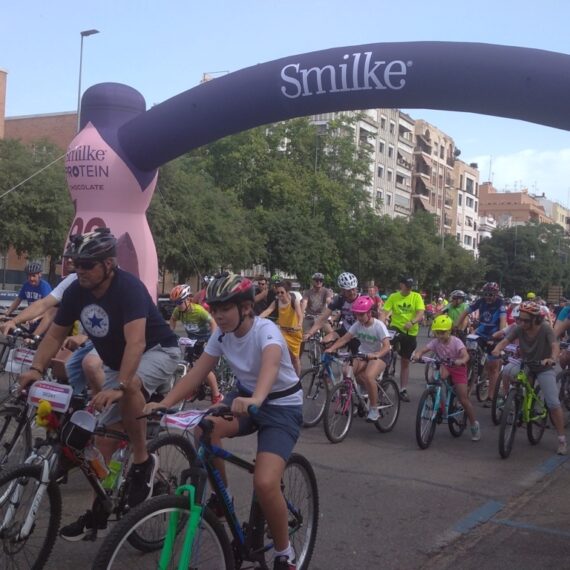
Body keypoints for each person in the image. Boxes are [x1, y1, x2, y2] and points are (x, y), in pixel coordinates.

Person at [19, 228, 180, 539]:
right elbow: (55, 334)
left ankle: (142, 461)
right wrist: (36, 369)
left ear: (108, 264)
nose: (79, 271)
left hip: (158, 351)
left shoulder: (128, 288)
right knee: (101, 442)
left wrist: (119, 386)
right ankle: (98, 512)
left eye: (87, 265)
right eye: (76, 264)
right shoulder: (77, 291)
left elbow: (136, 343)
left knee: (130, 386)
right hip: (118, 362)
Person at [143, 272, 303, 570]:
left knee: (266, 482)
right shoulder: (221, 334)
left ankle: (285, 552)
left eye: (225, 308)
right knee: (205, 429)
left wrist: (257, 398)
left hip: (280, 405)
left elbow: (270, 364)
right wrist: (163, 403)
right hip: (244, 397)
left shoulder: (265, 330)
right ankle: (223, 497)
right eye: (214, 309)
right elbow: (197, 373)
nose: (218, 315)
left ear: (245, 308)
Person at [1, 264, 104, 395]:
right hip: (75, 334)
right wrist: (12, 320)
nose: (72, 262)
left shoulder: (118, 285)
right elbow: (47, 307)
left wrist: (87, 338)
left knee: (91, 365)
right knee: (64, 371)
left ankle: (107, 408)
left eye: (84, 263)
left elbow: (47, 312)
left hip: (103, 339)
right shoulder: (72, 281)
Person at [492, 301, 567, 455]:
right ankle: (511, 400)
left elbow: (554, 345)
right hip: (525, 364)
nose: (522, 322)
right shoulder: (519, 329)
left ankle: (561, 440)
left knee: (553, 403)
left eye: (526, 320)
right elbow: (506, 341)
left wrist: (552, 358)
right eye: (520, 319)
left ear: (536, 319)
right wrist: (497, 349)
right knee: (506, 371)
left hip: (543, 366)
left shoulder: (545, 328)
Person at [413, 315, 481, 441]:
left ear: (449, 331)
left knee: (463, 399)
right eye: (437, 332)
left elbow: (465, 355)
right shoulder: (436, 342)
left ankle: (474, 424)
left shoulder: (456, 342)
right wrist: (418, 354)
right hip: (446, 365)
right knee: (437, 380)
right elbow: (423, 350)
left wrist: (461, 361)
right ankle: (439, 403)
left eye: (442, 332)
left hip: (458, 368)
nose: (439, 335)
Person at [325, 296, 391, 422]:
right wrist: (332, 348)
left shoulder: (379, 326)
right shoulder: (357, 325)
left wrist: (377, 354)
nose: (359, 317)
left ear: (369, 313)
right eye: (357, 315)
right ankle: (350, 402)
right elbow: (345, 338)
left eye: (361, 314)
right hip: (363, 354)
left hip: (381, 355)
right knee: (346, 371)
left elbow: (387, 346)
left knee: (369, 376)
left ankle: (374, 409)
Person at [169, 284, 222, 404]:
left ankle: (216, 395)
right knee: (189, 365)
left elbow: (213, 322)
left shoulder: (198, 310)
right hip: (191, 341)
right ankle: (193, 388)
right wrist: (170, 332)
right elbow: (172, 320)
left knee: (203, 368)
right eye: (176, 303)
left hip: (204, 340)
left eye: (180, 302)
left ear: (188, 299)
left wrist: (211, 340)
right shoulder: (178, 311)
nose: (178, 305)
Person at [382, 276, 425, 402]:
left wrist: (412, 321)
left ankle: (403, 389)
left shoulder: (416, 296)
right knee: (385, 348)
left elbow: (420, 313)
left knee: (405, 361)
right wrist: (381, 323)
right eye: (407, 285)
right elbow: (384, 312)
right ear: (401, 285)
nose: (409, 288)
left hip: (410, 330)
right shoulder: (394, 296)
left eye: (411, 285)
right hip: (396, 327)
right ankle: (382, 374)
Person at [304, 272, 361, 354]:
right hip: (345, 330)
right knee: (325, 342)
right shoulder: (339, 299)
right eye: (348, 290)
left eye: (353, 289)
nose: (352, 292)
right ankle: (326, 364)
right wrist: (310, 333)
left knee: (356, 363)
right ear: (342, 290)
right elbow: (323, 318)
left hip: (360, 333)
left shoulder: (363, 299)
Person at [261, 280, 304, 375]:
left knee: (295, 359)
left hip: (294, 332)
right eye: (278, 292)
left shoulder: (293, 301)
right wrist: (257, 319)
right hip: (283, 332)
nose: (279, 295)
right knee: (277, 350)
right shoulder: (276, 302)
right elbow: (268, 310)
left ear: (287, 292)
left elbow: (300, 315)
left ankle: (297, 379)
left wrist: (299, 325)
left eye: (282, 292)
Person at [3, 262, 53, 331]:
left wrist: (36, 318)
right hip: (32, 322)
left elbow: (50, 309)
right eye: (29, 276)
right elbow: (18, 300)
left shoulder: (44, 287)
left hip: (43, 323)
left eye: (33, 276)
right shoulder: (26, 285)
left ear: (40, 275)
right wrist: (7, 313)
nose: (31, 278)